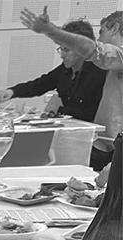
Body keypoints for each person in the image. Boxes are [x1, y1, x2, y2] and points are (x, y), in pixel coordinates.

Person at [21, 7, 123, 171]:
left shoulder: (119, 56)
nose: (99, 38)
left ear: (115, 29)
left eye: (101, 32)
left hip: (114, 149)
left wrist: (51, 30)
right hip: (106, 145)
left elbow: (92, 50)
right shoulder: (113, 65)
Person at [0, 20, 106, 122]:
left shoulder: (99, 73)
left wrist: (58, 109)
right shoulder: (65, 69)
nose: (62, 55)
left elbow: (91, 113)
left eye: (66, 50)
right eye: (61, 49)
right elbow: (40, 84)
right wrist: (12, 92)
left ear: (82, 49)